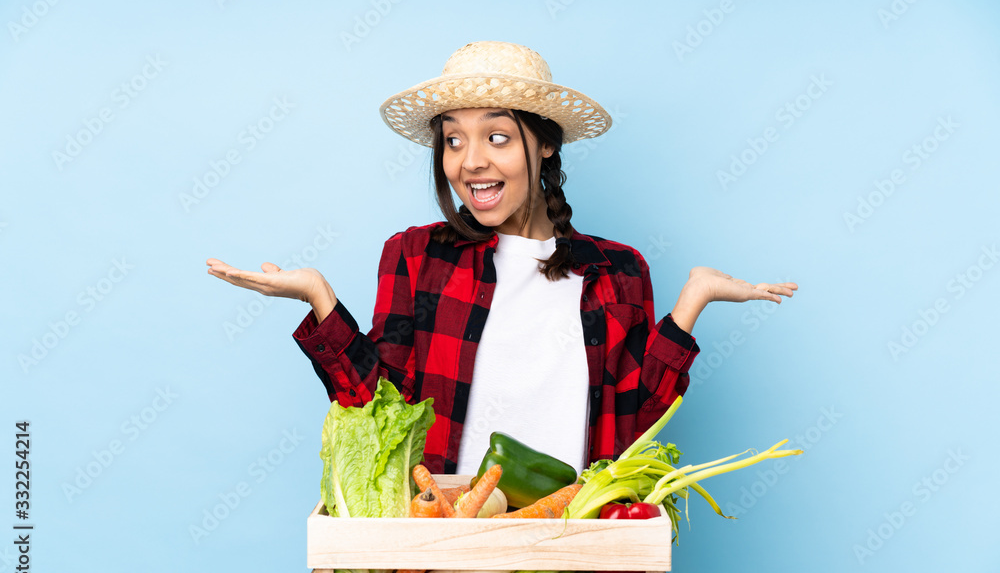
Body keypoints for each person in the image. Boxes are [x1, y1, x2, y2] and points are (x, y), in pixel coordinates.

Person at [207, 41, 797, 476]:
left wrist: (692, 304)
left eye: (496, 137)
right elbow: (381, 418)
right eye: (454, 140)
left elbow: (635, 425)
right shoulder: (416, 256)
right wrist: (319, 297)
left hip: (574, 544)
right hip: (446, 537)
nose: (470, 162)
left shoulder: (617, 271)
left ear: (543, 144)